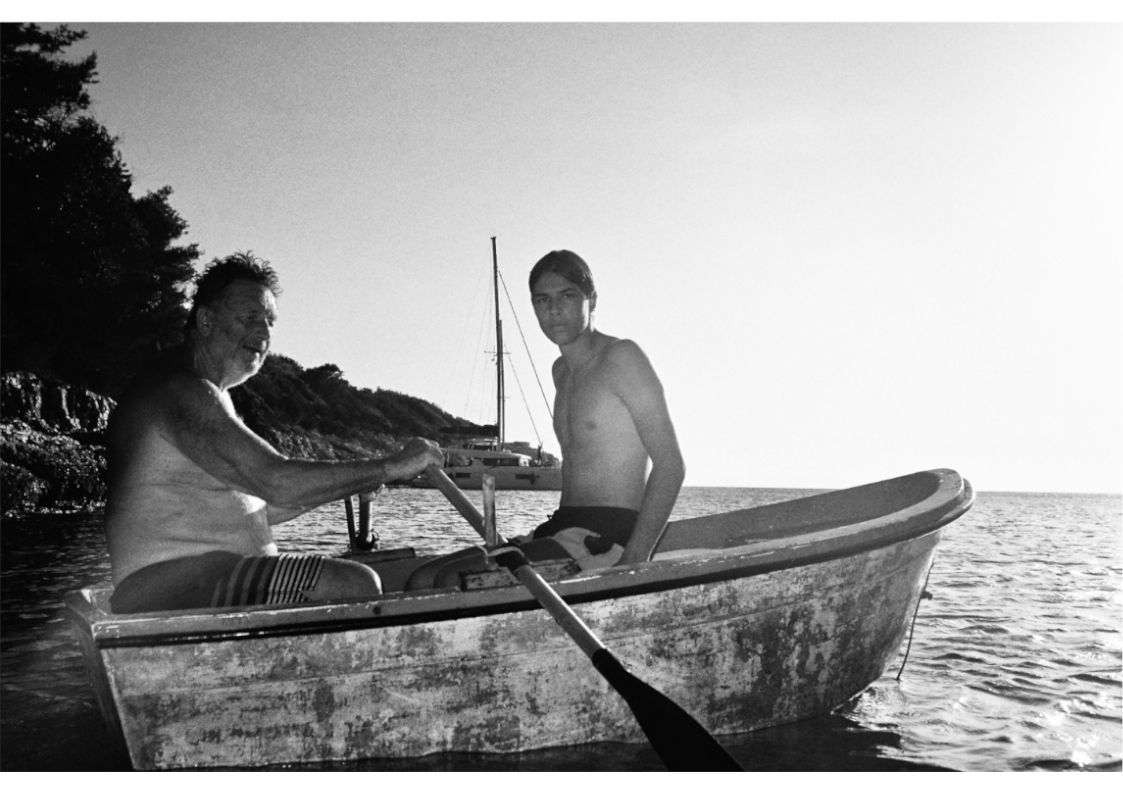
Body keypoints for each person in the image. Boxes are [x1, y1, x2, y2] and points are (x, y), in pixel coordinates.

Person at [104, 252, 444, 614]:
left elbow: (264, 506)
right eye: (251, 317)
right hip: (167, 589)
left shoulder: (207, 393)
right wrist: (391, 466)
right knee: (354, 583)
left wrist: (354, 480)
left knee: (382, 578)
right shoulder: (179, 389)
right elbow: (275, 480)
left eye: (270, 321)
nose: (264, 332)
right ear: (205, 320)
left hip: (196, 579)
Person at [405, 249, 684, 588]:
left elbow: (670, 463)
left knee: (451, 581)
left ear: (591, 300)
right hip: (562, 528)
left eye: (567, 295)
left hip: (608, 534)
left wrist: (634, 560)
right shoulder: (561, 372)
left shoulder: (622, 357)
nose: (553, 310)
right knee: (422, 579)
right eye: (542, 300)